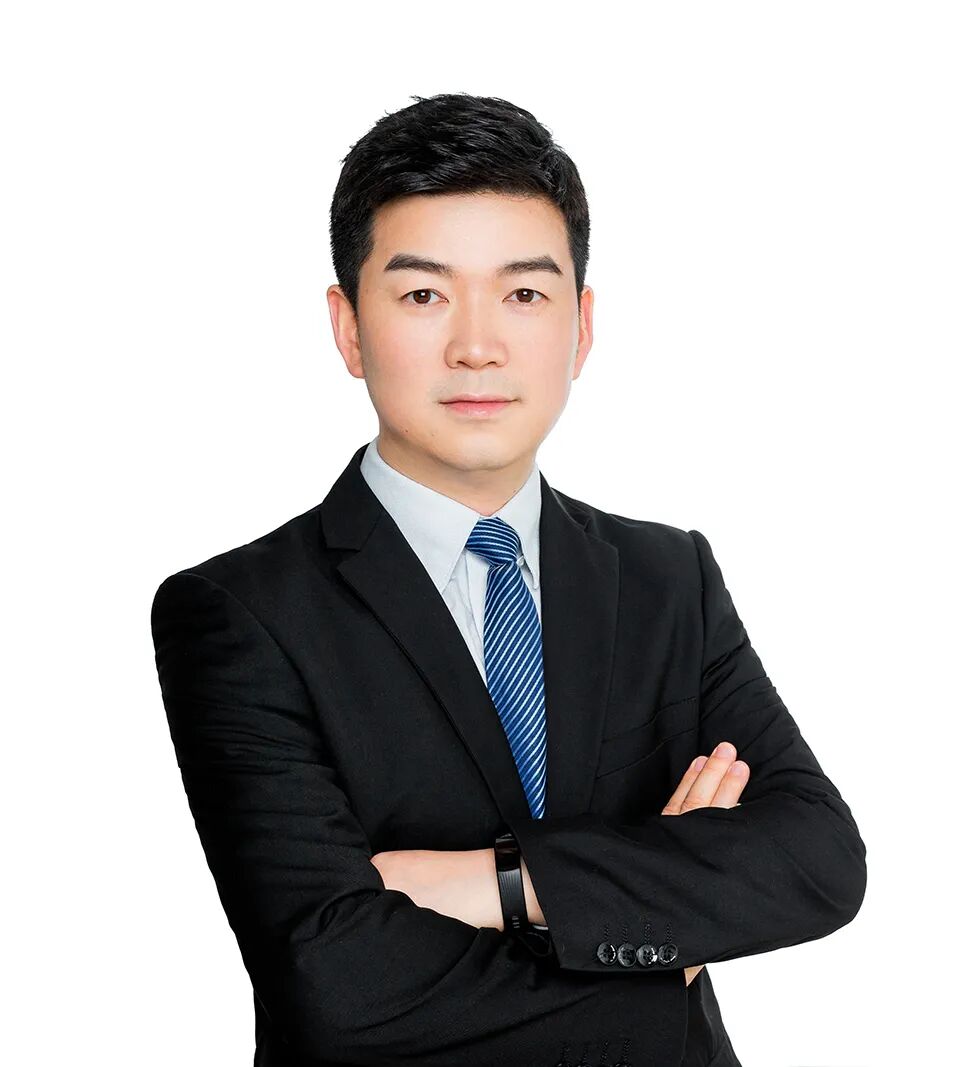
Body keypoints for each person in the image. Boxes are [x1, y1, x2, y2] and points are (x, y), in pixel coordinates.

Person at [150, 91, 866, 1067]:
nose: (476, 345)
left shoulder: (669, 579)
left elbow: (818, 859)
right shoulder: (241, 612)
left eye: (523, 295)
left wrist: (498, 883)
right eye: (423, 295)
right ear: (348, 328)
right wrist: (664, 940)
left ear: (580, 326)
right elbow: (337, 986)